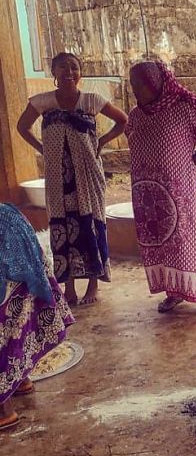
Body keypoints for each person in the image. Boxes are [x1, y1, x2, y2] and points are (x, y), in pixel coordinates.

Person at [17, 52, 128, 306]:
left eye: (74, 68)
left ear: (81, 73)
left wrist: (102, 141)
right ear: (53, 73)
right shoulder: (42, 102)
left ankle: (93, 283)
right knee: (62, 227)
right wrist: (41, 148)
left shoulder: (91, 100)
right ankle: (68, 286)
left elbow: (123, 120)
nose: (69, 72)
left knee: (90, 224)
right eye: (63, 68)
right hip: (57, 178)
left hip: (88, 176)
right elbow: (22, 127)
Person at [126, 60, 196, 315]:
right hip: (147, 194)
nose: (135, 89)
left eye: (140, 83)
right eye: (132, 84)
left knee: (187, 240)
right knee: (160, 242)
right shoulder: (136, 115)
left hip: (180, 190)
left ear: (156, 83)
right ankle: (174, 290)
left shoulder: (182, 109)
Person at [0, 204, 75, 431]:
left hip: (8, 239)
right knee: (18, 311)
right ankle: (21, 380)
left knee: (7, 319)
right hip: (12, 222)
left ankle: (3, 410)